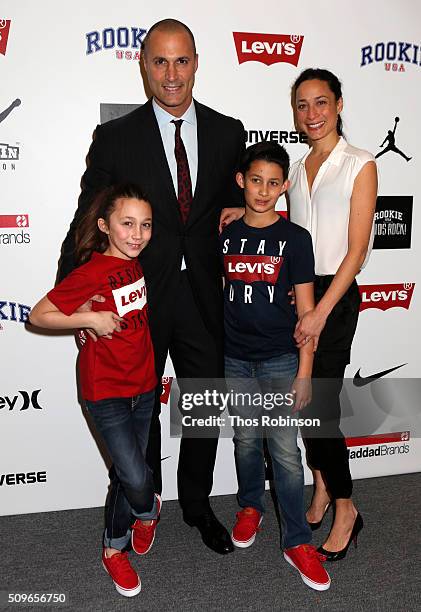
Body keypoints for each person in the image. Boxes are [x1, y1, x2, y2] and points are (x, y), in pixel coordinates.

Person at [57, 18, 245, 555]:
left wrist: (251, 208)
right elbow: (86, 217)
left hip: (206, 296)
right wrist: (74, 299)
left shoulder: (230, 131)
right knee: (138, 412)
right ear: (143, 66)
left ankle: (199, 504)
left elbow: (255, 197)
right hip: (136, 298)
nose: (171, 74)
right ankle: (145, 504)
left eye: (181, 61)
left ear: (196, 64)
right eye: (159, 61)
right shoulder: (116, 136)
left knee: (204, 404)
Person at [30, 184, 159, 597]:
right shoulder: (89, 272)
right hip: (105, 393)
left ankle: (114, 547)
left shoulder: (137, 264)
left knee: (126, 475)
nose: (136, 234)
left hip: (144, 386)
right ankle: (147, 510)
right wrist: (92, 320)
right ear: (105, 226)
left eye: (145, 225)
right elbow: (40, 315)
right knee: (136, 477)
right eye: (127, 224)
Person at [220, 141, 331, 591]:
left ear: (285, 187)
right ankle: (250, 505)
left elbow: (307, 315)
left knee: (285, 453)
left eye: (272, 183)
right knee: (246, 440)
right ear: (240, 181)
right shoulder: (223, 233)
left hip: (282, 358)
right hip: (233, 357)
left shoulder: (295, 239)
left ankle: (297, 540)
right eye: (255, 181)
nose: (263, 191)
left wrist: (305, 371)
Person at [288, 68, 377, 561]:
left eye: (321, 102)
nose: (312, 113)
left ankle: (347, 507)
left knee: (320, 406)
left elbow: (357, 249)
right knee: (303, 402)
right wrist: (241, 212)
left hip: (335, 298)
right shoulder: (298, 168)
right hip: (299, 294)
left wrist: (321, 311)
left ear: (339, 104)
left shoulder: (359, 163)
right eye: (302, 105)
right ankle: (321, 485)